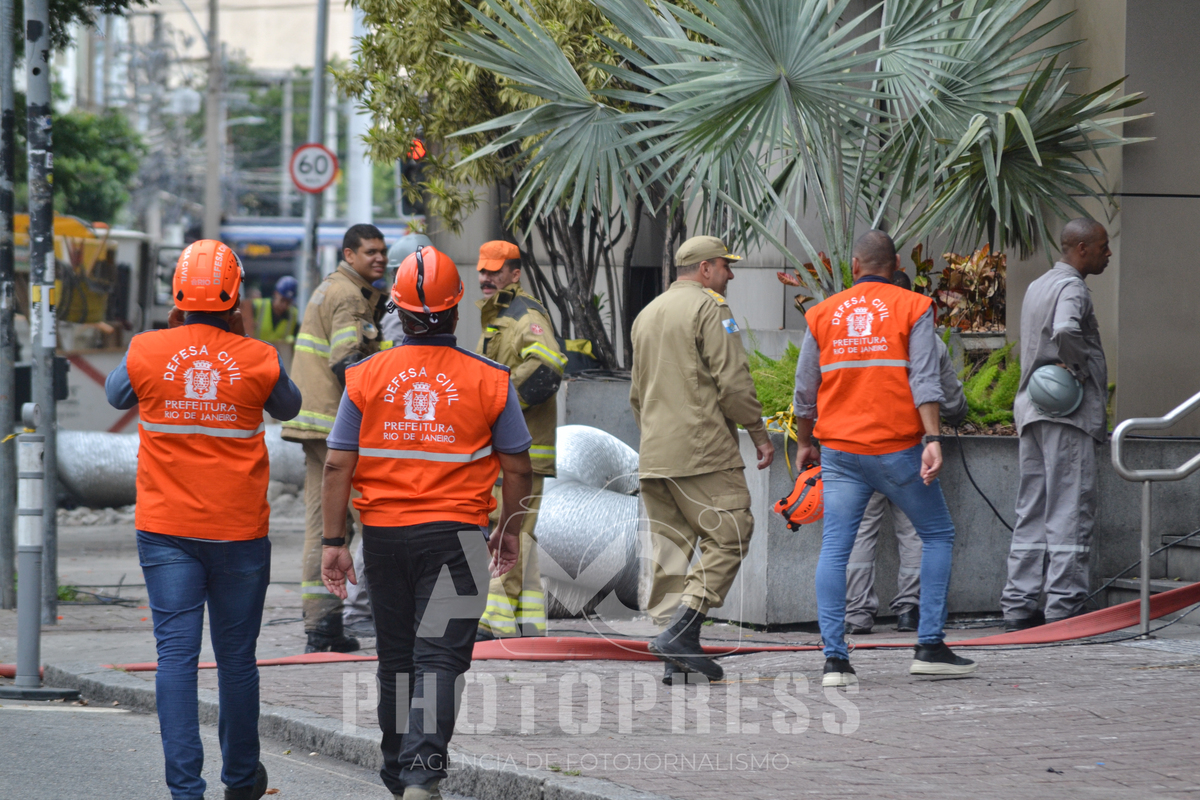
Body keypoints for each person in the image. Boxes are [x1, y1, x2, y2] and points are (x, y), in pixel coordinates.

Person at [319, 245, 532, 800]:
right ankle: (421, 774)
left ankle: (398, 774)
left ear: (398, 311)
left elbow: (339, 462)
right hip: (459, 540)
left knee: (396, 659)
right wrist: (508, 531)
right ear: (457, 310)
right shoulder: (490, 379)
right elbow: (517, 467)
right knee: (439, 659)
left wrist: (333, 541)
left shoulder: (366, 376)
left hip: (385, 539)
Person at [105, 240, 302, 800]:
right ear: (236, 298)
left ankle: (185, 790)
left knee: (176, 658)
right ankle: (241, 780)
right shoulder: (259, 357)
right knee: (236, 658)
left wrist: (171, 338)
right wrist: (236, 341)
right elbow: (289, 406)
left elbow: (116, 392)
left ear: (176, 296)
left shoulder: (147, 349)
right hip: (239, 534)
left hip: (167, 532)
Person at [793, 229, 977, 687]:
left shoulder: (821, 314)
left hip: (839, 453)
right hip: (897, 450)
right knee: (936, 534)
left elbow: (804, 392)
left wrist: (803, 442)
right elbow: (925, 379)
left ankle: (835, 661)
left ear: (853, 267)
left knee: (835, 550)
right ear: (895, 266)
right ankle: (929, 645)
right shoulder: (913, 308)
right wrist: (932, 438)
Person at [630, 235, 775, 683]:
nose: (730, 276)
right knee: (731, 532)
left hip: (655, 454)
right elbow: (732, 380)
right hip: (703, 450)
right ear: (707, 269)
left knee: (670, 554)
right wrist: (758, 431)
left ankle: (676, 659)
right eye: (726, 267)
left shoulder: (646, 314)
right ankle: (684, 634)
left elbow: (636, 394)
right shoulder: (710, 308)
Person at [282, 223, 389, 653]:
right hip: (336, 425)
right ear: (349, 255)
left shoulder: (333, 288)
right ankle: (384, 617)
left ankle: (322, 627)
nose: (379, 259)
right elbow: (348, 362)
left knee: (322, 525)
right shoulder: (349, 296)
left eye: (382, 252)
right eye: (370, 252)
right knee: (375, 518)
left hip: (315, 422)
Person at [843, 270, 969, 635]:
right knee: (916, 531)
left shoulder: (853, 335)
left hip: (857, 447)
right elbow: (950, 398)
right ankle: (909, 611)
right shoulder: (928, 339)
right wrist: (956, 415)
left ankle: (856, 614)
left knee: (859, 532)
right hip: (910, 448)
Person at [1001, 219, 1110, 631]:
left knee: (1031, 508)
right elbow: (1065, 328)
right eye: (1102, 246)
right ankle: (1064, 606)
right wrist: (1079, 367)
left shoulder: (1037, 285)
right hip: (1067, 414)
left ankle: (1018, 604)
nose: (1108, 254)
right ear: (1080, 249)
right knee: (1069, 508)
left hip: (1033, 410)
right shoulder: (1072, 288)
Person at [474, 240, 565, 640]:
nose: (486, 277)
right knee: (519, 529)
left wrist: (499, 407)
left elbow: (549, 364)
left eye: (495, 270)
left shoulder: (523, 315)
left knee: (507, 527)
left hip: (523, 451)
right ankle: (527, 620)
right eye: (482, 270)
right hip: (515, 448)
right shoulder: (501, 315)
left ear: (515, 274)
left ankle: (493, 619)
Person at [248, 275, 300, 348]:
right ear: (275, 294)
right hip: (255, 351)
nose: (284, 305)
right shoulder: (258, 306)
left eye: (288, 302)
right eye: (282, 300)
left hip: (275, 356)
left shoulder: (293, 315)